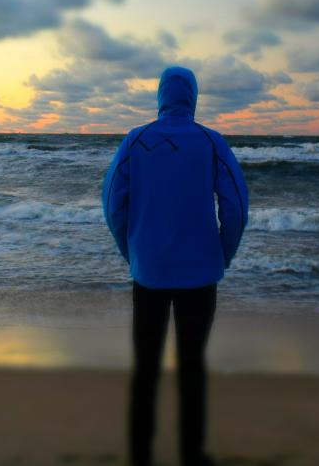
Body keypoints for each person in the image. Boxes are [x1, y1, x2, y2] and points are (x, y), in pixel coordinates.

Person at [102, 66, 249, 466]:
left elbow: (113, 205)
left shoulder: (136, 141)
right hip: (200, 276)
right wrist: (223, 254)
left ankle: (140, 454)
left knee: (146, 366)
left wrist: (132, 253)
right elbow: (236, 207)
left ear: (161, 96)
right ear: (193, 97)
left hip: (148, 274)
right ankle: (191, 455)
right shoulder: (210, 141)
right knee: (192, 365)